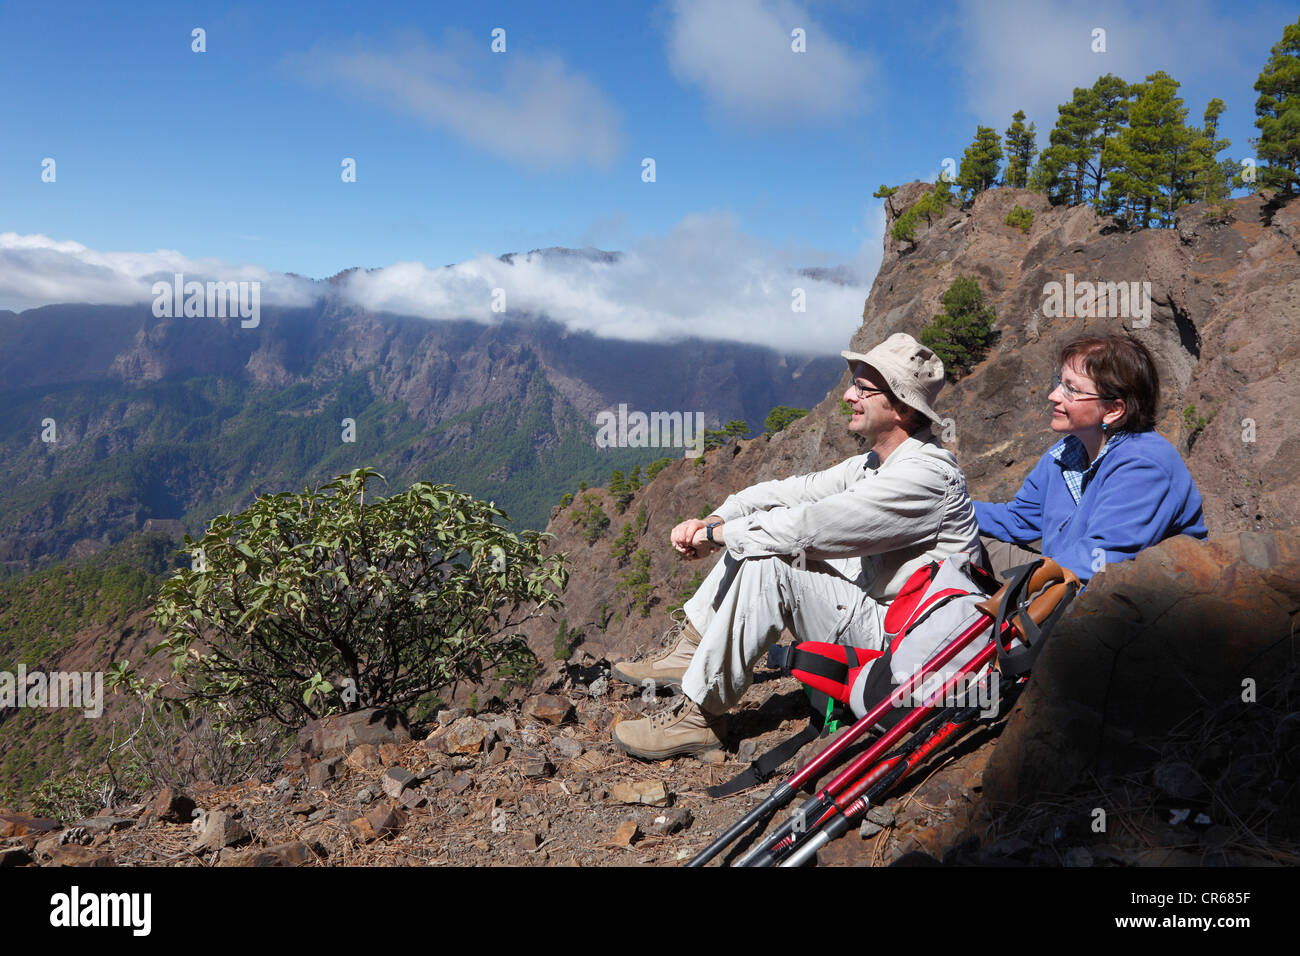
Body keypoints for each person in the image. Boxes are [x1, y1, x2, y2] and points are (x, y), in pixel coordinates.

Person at [610, 333, 981, 760]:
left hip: (899, 644)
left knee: (770, 556)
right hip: (877, 610)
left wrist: (717, 537)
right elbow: (790, 492)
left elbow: (807, 528)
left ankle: (699, 721)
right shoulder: (875, 463)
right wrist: (717, 520)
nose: (847, 395)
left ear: (898, 406)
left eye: (862, 388)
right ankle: (692, 650)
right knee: (758, 532)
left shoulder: (924, 478)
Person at [975, 333, 1207, 584]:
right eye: (1059, 382)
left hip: (1118, 602)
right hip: (1062, 575)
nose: (1054, 395)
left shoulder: (1144, 465)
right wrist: (949, 509)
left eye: (1070, 389)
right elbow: (1019, 521)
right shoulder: (1066, 452)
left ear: (1113, 410)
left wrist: (1028, 585)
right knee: (951, 539)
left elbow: (1101, 560)